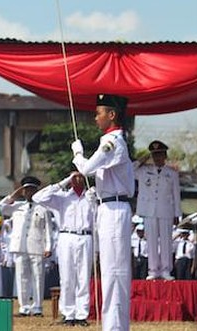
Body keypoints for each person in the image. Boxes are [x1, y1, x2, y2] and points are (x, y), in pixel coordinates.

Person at [71, 93, 134, 331]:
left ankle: (115, 328)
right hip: (108, 206)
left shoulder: (113, 142)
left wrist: (77, 153)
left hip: (115, 209)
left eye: (99, 113)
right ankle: (113, 326)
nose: (95, 117)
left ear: (112, 115)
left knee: (114, 272)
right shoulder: (109, 141)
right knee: (109, 271)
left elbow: (87, 168)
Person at [32, 171, 94, 326]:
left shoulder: (91, 197)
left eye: (80, 176)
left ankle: (81, 314)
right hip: (67, 236)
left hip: (86, 236)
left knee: (83, 278)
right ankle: (68, 314)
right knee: (67, 278)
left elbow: (98, 221)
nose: (78, 179)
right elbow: (37, 197)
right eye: (74, 176)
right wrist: (63, 182)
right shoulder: (62, 197)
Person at [0, 176, 53, 317]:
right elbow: (0, 208)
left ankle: (37, 307)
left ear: (36, 190)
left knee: (38, 277)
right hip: (20, 246)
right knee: (22, 277)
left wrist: (49, 247)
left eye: (32, 190)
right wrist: (13, 195)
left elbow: (48, 229)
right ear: (23, 191)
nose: (29, 192)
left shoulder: (43, 208)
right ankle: (24, 306)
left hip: (37, 245)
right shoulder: (16, 207)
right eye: (26, 190)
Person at [134, 140, 181, 280]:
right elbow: (130, 171)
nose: (157, 158)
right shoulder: (143, 171)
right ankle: (153, 270)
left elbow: (176, 194)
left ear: (165, 156)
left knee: (166, 240)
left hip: (166, 210)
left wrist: (177, 213)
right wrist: (142, 160)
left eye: (160, 155)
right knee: (151, 241)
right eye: (154, 155)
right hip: (149, 211)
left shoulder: (171, 173)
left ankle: (166, 270)